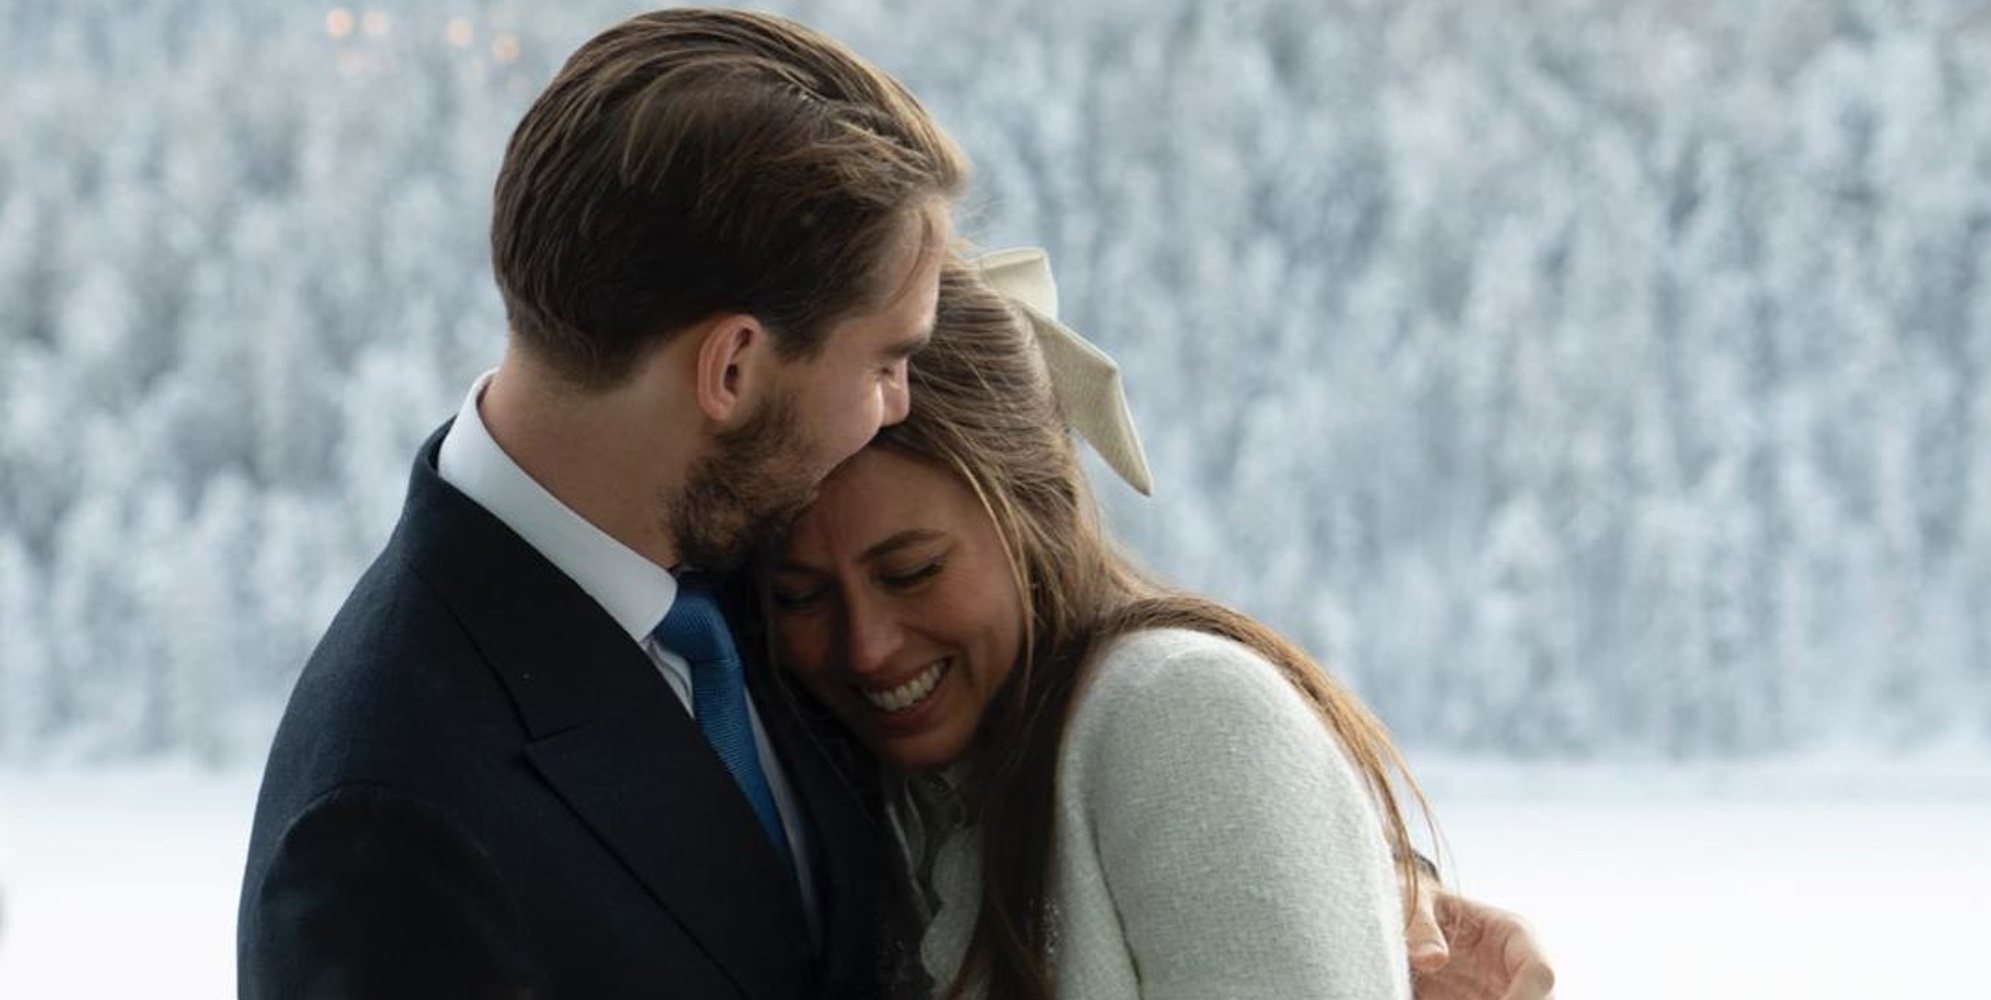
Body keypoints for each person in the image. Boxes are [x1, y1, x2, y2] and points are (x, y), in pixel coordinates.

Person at [237, 10, 966, 998]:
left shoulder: (750, 561)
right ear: (734, 366)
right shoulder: (388, 821)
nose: (900, 407)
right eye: (886, 361)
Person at [763, 252, 1556, 999]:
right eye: (800, 596)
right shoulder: (885, 776)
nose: (865, 645)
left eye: (914, 572)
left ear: (1033, 513)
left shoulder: (1183, 718)